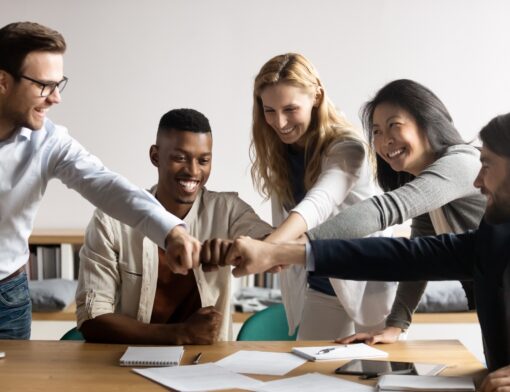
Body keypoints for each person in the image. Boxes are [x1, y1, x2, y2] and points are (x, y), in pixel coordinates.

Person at [220, 113, 510, 391]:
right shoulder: (493, 233)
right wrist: (285, 254)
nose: (477, 180)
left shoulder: (458, 167)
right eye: (376, 130)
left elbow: (384, 212)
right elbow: (406, 257)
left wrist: (276, 249)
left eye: (487, 165)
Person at [0, 21, 199, 340]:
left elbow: (107, 186)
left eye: (58, 84)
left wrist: (171, 231)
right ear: (2, 81)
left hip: (7, 297)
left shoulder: (49, 141)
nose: (55, 99)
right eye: (44, 85)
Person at [306, 79, 486, 344]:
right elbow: (419, 257)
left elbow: (385, 209)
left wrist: (297, 246)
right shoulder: (431, 188)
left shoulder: (463, 163)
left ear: (428, 123)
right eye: (377, 131)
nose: (384, 140)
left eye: (394, 126)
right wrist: (396, 325)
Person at [76, 108, 272, 344]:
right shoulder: (111, 220)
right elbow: (92, 319)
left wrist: (240, 248)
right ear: (156, 156)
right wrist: (181, 334)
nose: (193, 171)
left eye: (204, 160)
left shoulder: (228, 210)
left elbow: (273, 247)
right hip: (129, 365)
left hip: (210, 366)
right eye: (180, 158)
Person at [249, 53, 395, 339]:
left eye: (290, 108)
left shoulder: (348, 147)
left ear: (316, 96)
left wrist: (269, 250)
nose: (279, 122)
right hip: (321, 284)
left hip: (370, 281)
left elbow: (319, 203)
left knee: (379, 376)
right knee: (308, 375)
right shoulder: (280, 152)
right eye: (269, 110)